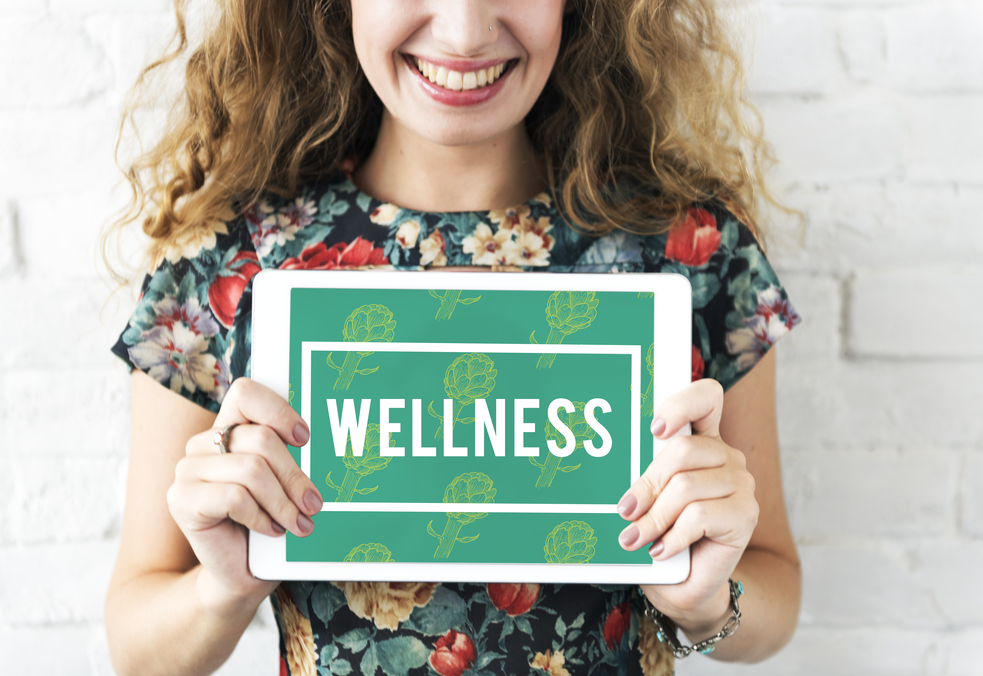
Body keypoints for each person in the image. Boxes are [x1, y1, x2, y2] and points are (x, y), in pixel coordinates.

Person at [103, 1, 802, 675]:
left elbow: (775, 590)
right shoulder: (228, 260)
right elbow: (137, 648)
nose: (465, 32)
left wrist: (706, 600)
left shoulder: (697, 250)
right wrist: (222, 587)